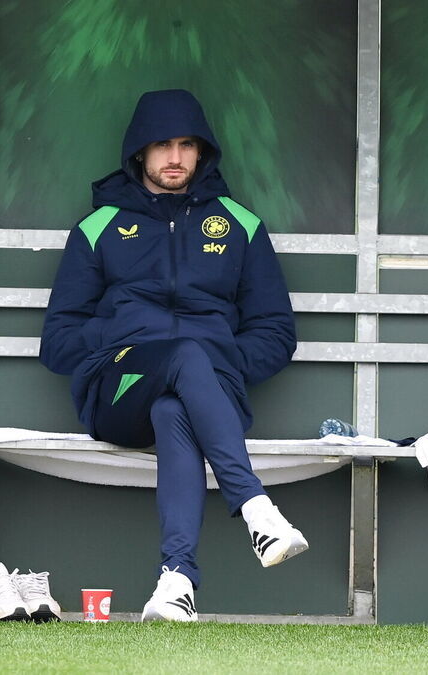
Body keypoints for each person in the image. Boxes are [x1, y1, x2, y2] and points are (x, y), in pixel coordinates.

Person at [39, 89, 306, 622]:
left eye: (187, 145)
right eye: (162, 145)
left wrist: (221, 364)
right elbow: (59, 340)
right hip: (119, 390)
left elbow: (276, 330)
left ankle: (176, 580)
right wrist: (121, 334)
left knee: (175, 406)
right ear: (140, 151)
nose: (176, 157)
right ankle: (255, 507)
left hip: (206, 394)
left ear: (202, 151)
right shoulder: (100, 227)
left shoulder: (239, 225)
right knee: (184, 354)